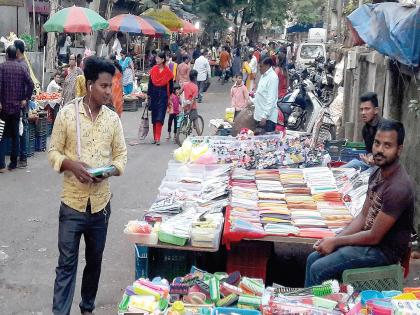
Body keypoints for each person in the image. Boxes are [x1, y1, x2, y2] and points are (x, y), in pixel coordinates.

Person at [48, 56, 127, 315]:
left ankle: (87, 307)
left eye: (110, 85)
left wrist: (108, 171)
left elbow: (121, 157)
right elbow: (53, 152)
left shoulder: (112, 120)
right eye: (104, 86)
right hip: (72, 204)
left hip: (101, 206)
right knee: (66, 264)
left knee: (94, 261)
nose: (109, 91)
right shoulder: (68, 114)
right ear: (90, 84)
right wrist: (71, 165)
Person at [305, 119, 414, 287]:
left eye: (387, 146)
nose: (379, 150)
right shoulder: (377, 172)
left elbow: (374, 237)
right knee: (314, 257)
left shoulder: (398, 188)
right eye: (377, 143)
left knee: (318, 268)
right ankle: (315, 304)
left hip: (383, 252)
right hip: (369, 241)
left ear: (399, 150)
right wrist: (334, 239)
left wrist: (335, 242)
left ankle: (315, 309)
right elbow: (363, 216)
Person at [0, 45, 34, 172]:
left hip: (3, 107)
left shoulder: (2, 67)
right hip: (16, 107)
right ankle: (13, 163)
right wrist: (26, 98)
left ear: (7, 55)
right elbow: (30, 83)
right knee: (15, 135)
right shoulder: (21, 67)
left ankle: (1, 165)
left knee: (1, 135)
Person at [343, 92, 382, 171]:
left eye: (367, 109)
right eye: (361, 109)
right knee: (354, 163)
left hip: (384, 169)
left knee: (364, 176)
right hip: (372, 165)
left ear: (376, 110)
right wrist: (369, 157)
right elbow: (369, 151)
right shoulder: (365, 129)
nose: (363, 113)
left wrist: (375, 161)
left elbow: (389, 158)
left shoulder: (385, 129)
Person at [148, 52, 174, 145]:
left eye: (158, 58)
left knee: (160, 117)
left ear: (163, 60)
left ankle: (158, 138)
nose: (156, 60)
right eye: (156, 58)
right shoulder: (153, 70)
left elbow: (171, 87)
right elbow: (150, 84)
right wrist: (148, 95)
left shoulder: (168, 72)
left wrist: (170, 96)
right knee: (154, 117)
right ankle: (155, 137)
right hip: (154, 95)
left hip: (163, 96)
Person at [14, 39, 32, 169]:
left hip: (22, 102)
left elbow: (29, 83)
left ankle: (23, 157)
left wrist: (25, 98)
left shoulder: (23, 65)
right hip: (19, 101)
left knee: (23, 128)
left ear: (18, 50)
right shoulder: (19, 63)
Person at [253, 57, 278, 133]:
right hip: (259, 114)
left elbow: (271, 99)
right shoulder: (263, 76)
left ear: (267, 66)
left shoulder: (273, 77)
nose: (259, 69)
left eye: (261, 66)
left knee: (267, 142)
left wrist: (265, 116)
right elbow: (261, 93)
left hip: (267, 119)